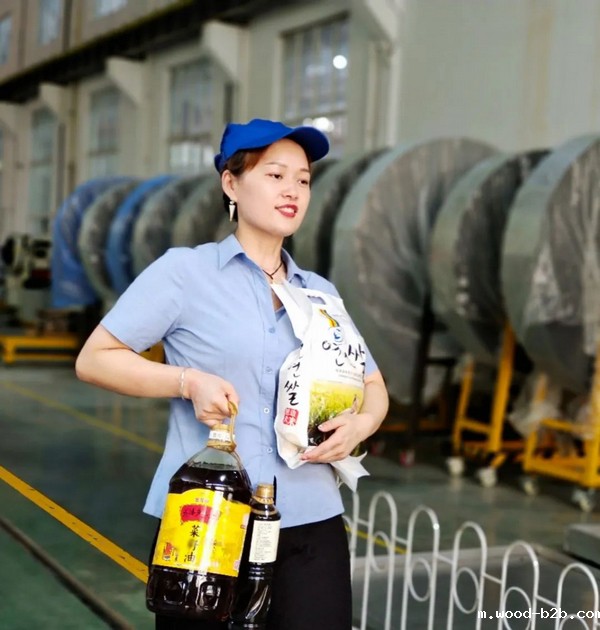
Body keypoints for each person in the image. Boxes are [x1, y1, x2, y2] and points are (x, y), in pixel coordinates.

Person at [75, 118, 389, 630]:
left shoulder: (319, 293)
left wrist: (363, 423)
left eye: (303, 180)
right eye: (275, 175)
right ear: (231, 184)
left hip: (311, 520)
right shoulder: (185, 273)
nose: (292, 191)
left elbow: (372, 385)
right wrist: (186, 381)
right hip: (207, 518)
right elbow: (95, 358)